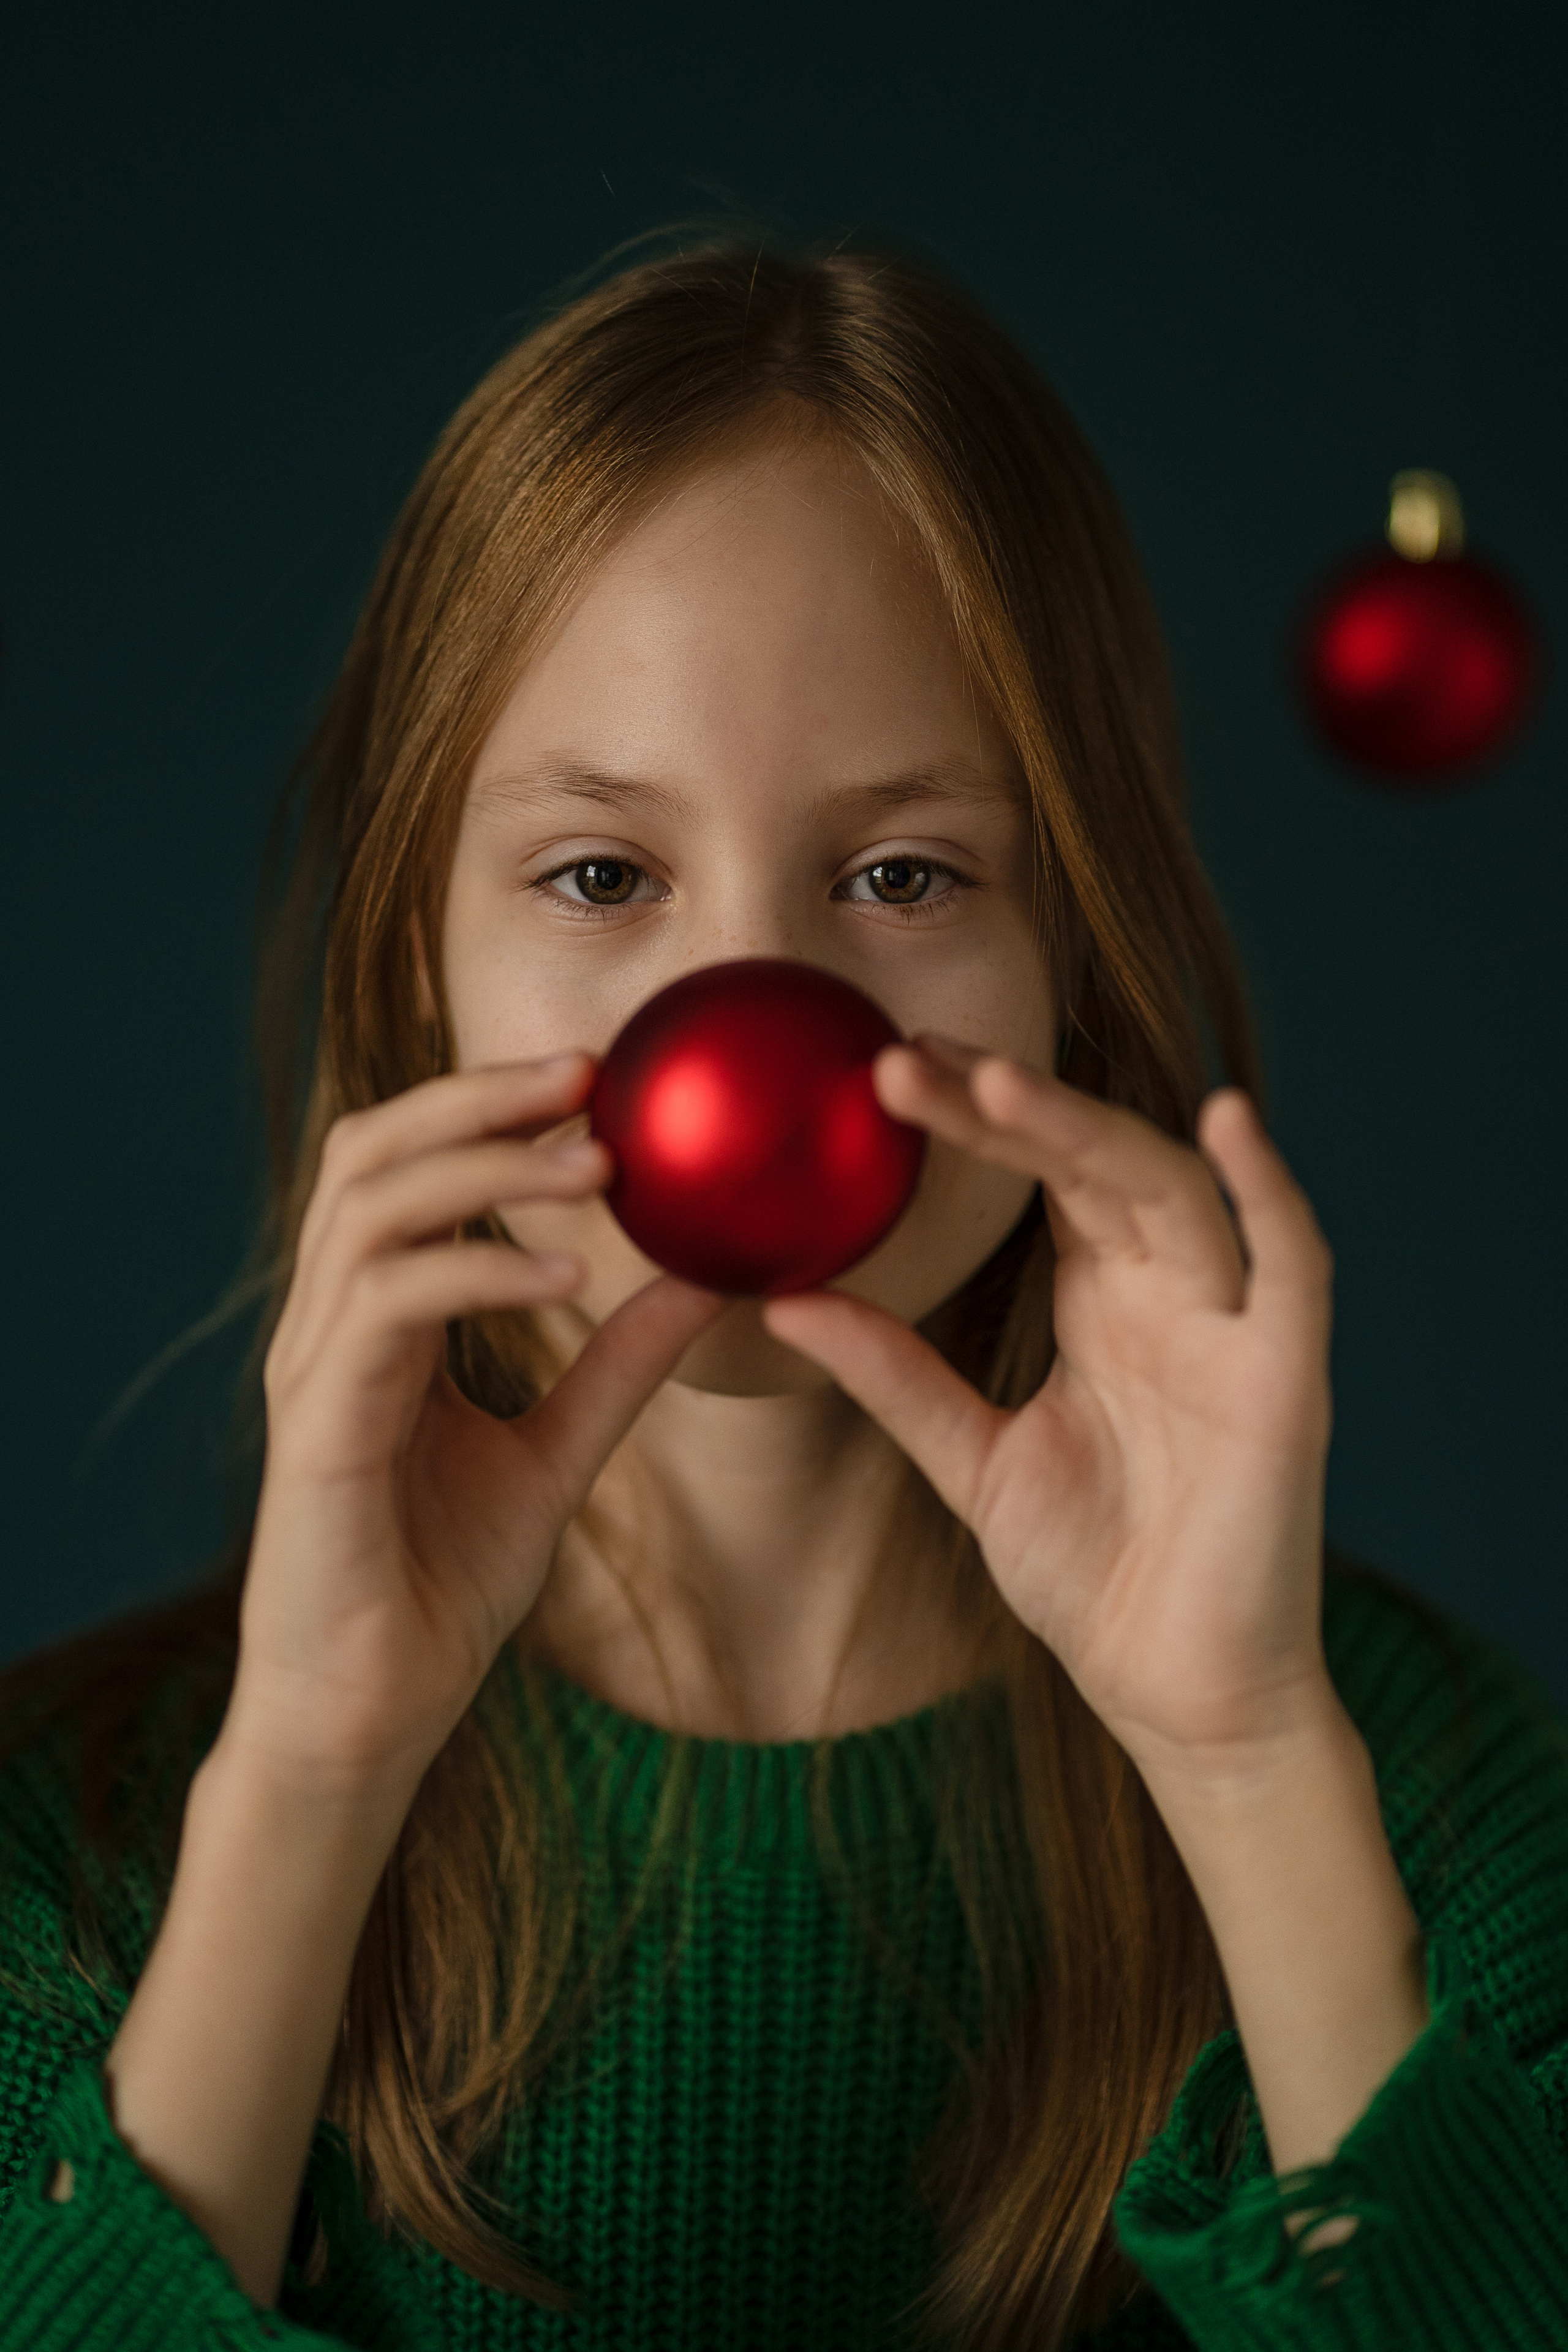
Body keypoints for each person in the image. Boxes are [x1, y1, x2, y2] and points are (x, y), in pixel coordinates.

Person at [1, 238, 1565, 2352]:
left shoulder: (1467, 1833)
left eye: (905, 877)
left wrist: (1247, 1763)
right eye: (599, 876)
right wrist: (307, 1784)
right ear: (418, 966)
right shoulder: (58, 1867)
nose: (747, 1024)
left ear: (1070, 974)